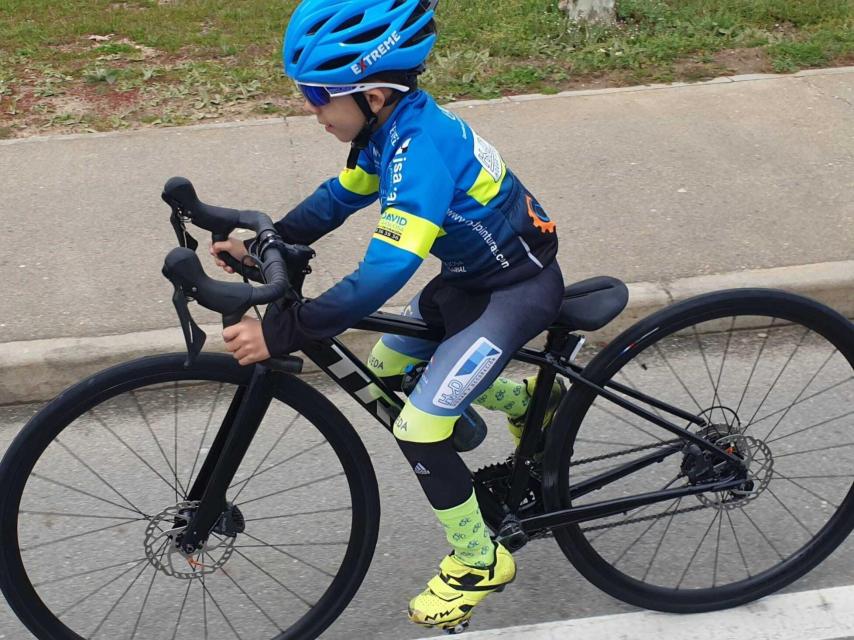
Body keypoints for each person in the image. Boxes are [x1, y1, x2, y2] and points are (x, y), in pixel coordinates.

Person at [210, 0, 566, 631]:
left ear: (372, 94)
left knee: (419, 428)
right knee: (387, 374)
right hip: (469, 283)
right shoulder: (389, 131)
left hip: (515, 291)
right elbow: (337, 199)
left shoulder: (418, 150)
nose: (310, 108)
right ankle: (527, 402)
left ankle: (479, 560)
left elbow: (383, 274)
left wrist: (283, 329)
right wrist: (267, 243)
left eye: (319, 95)